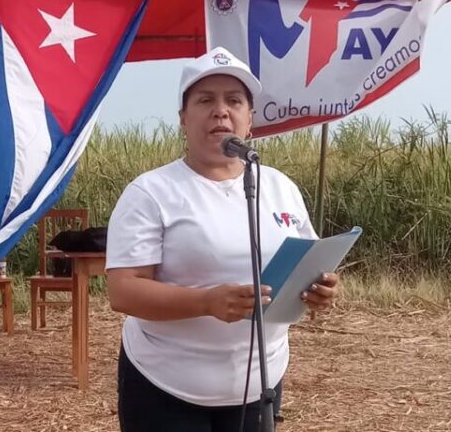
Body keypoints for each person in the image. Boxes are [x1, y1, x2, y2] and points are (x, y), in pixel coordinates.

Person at [106, 46, 340, 432]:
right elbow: (123, 291)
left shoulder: (280, 187)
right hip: (166, 386)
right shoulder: (151, 192)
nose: (221, 111)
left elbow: (308, 262)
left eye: (234, 100)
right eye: (205, 100)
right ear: (183, 119)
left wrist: (321, 288)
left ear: (250, 121)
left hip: (260, 382)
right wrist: (205, 302)